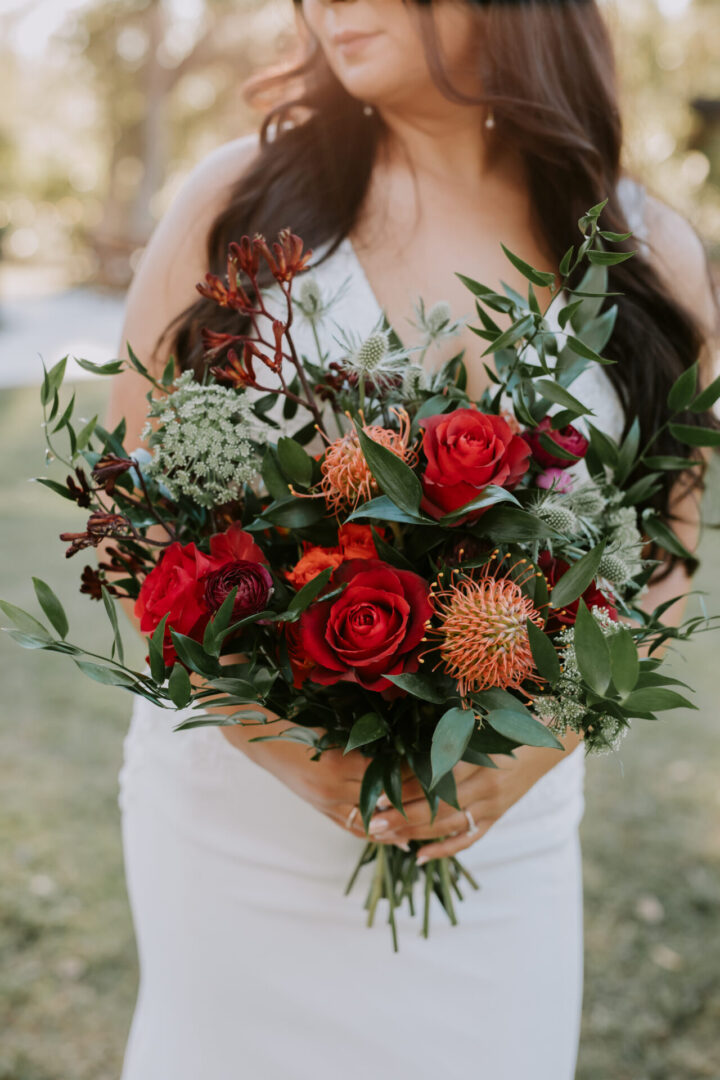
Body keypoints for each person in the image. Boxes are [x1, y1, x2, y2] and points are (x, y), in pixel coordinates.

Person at [108, 2, 718, 1077]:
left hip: (502, 834)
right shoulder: (240, 203)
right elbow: (130, 521)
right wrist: (285, 747)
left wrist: (537, 748)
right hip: (242, 827)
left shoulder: (642, 247)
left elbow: (668, 558)